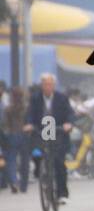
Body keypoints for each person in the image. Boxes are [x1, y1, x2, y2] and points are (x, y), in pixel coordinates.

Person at [24, 72, 75, 202]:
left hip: (57, 131)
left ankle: (61, 193)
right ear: (42, 85)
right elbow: (29, 113)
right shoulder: (35, 98)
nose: (48, 87)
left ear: (54, 85)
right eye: (45, 84)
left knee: (58, 162)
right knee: (37, 155)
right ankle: (41, 174)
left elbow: (70, 113)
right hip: (41, 131)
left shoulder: (61, 98)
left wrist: (68, 124)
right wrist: (29, 124)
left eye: (50, 84)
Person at [4, 82, 29, 193]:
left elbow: (6, 124)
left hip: (12, 135)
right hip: (25, 135)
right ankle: (23, 185)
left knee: (11, 160)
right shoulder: (27, 108)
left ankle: (14, 181)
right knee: (25, 161)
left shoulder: (8, 109)